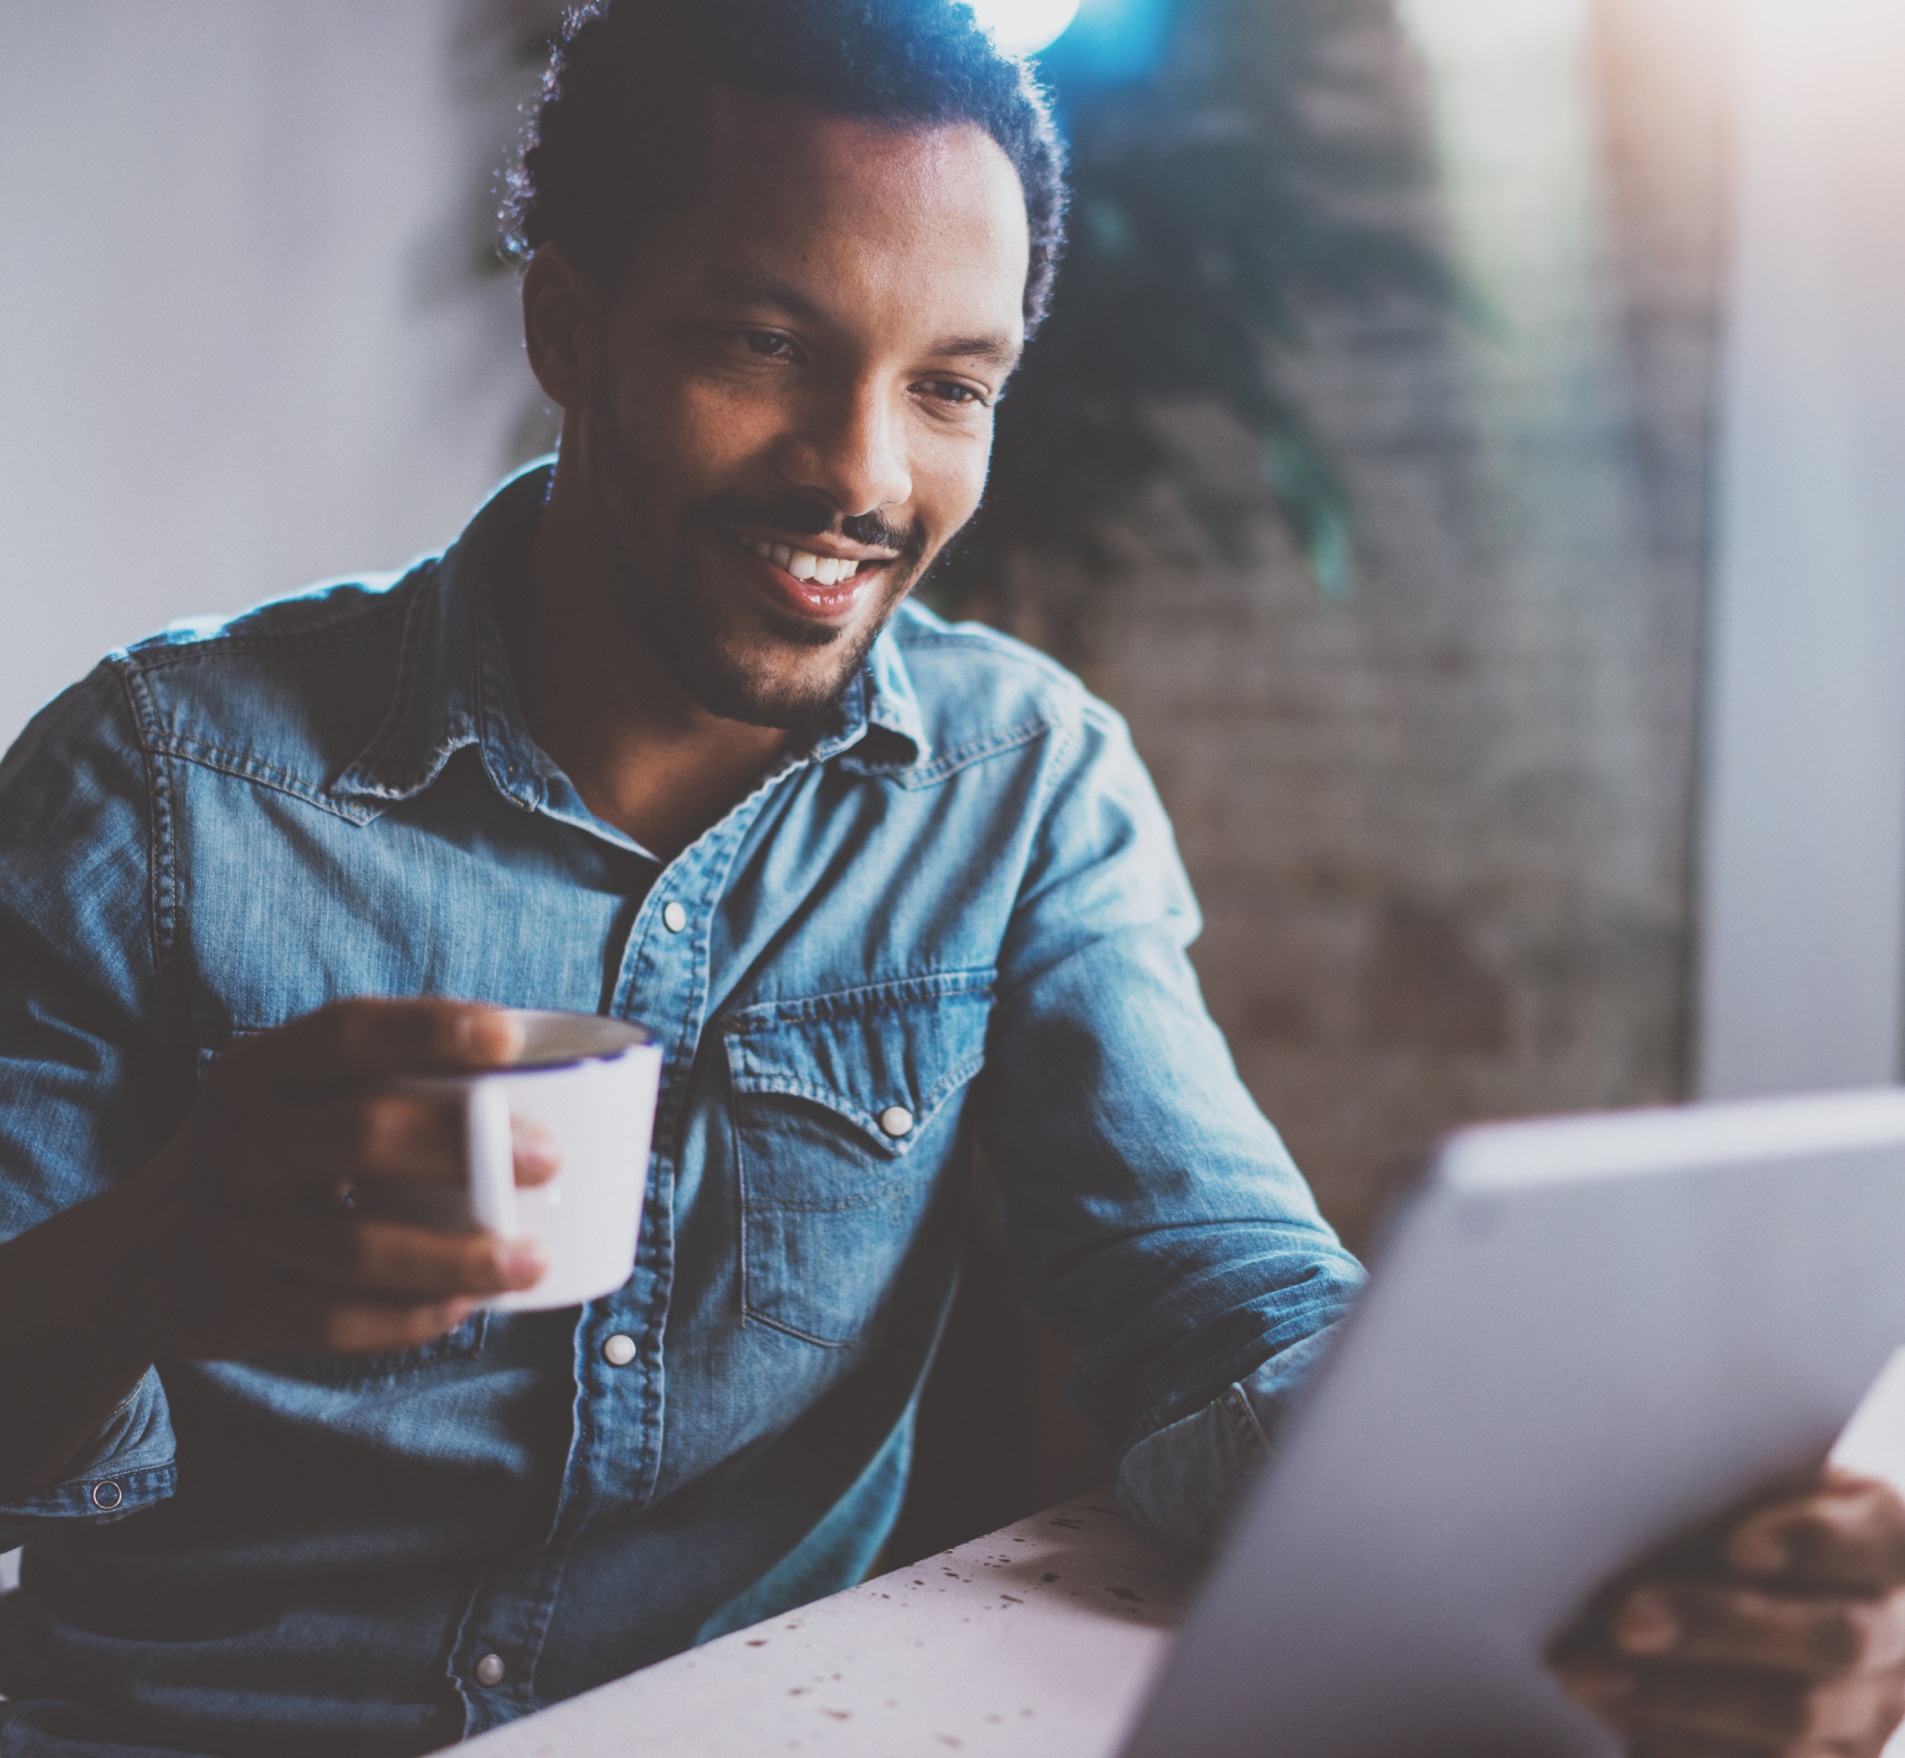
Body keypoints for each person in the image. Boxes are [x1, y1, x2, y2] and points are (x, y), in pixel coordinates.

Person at [0, 3, 1900, 1754]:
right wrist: (159, 1247)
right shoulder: (159, 780)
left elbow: (1219, 1302)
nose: (861, 472)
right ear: (567, 328)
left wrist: (1613, 1572)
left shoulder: (1023, 785)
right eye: (767, 346)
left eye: (950, 386)